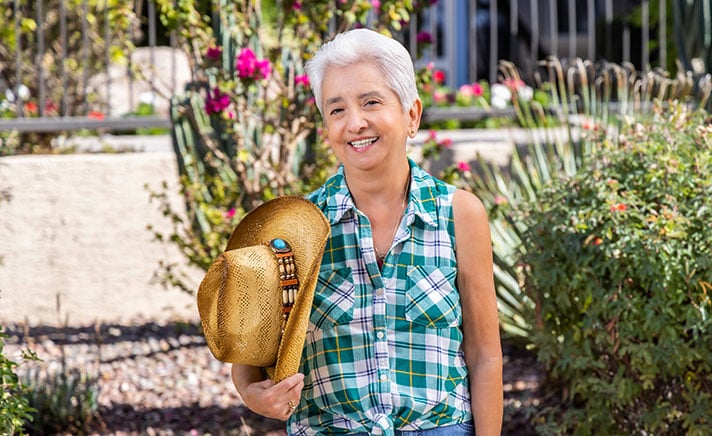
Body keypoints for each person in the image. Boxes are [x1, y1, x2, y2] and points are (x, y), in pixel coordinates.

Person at [231, 28, 503, 435]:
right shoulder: (292, 228)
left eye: (371, 102)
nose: (355, 123)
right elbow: (247, 364)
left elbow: (485, 356)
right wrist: (257, 397)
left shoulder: (460, 214)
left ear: (412, 115)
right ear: (326, 127)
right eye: (336, 110)